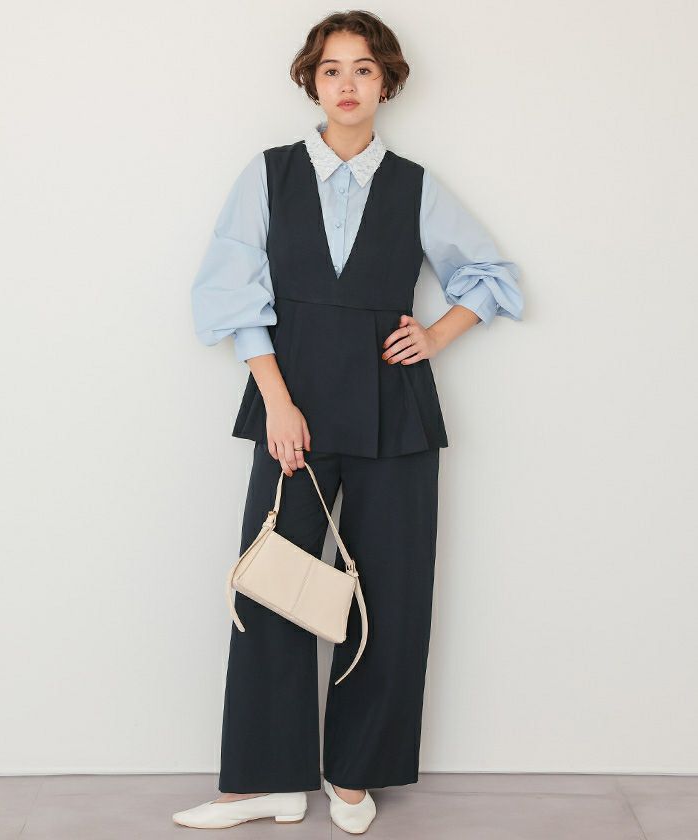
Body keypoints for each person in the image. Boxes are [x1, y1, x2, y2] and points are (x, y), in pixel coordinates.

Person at [175, 9, 523, 833]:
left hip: (394, 410)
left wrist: (436, 334)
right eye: (332, 69)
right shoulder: (268, 174)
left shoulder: (415, 185)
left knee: (389, 594)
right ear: (312, 80)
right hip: (292, 408)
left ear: (386, 83)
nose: (347, 84)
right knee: (271, 585)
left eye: (364, 69)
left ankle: (356, 773)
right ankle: (265, 780)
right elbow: (229, 293)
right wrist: (276, 400)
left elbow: (493, 274)